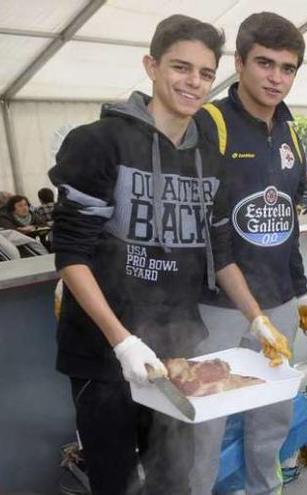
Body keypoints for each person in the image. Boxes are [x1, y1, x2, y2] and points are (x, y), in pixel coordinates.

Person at [49, 15, 288, 495]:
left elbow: (221, 251)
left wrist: (258, 318)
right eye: (181, 68)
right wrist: (122, 342)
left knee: (171, 479)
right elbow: (70, 253)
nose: (193, 83)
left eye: (204, 73)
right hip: (102, 350)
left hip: (177, 345)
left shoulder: (208, 155)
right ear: (151, 66)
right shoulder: (99, 142)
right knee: (114, 479)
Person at [193, 12, 307, 495]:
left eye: (287, 69)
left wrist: (300, 293)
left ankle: (266, 489)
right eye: (265, 64)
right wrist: (252, 314)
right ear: (240, 62)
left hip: (278, 304)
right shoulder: (211, 125)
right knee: (206, 427)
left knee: (272, 418)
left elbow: (288, 225)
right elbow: (211, 234)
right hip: (218, 310)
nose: (276, 78)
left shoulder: (290, 131)